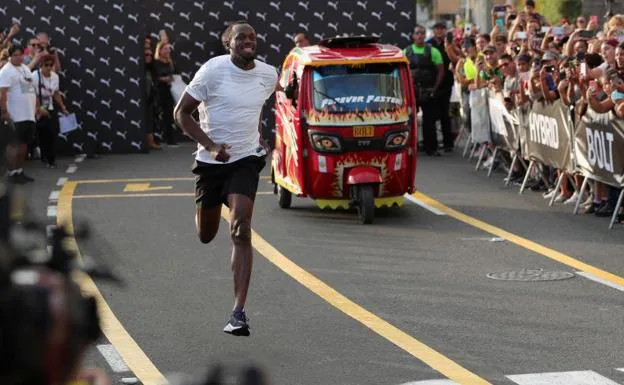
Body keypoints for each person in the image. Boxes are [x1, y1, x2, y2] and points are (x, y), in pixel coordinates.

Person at [174, 21, 278, 336]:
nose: (248, 41)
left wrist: (260, 137)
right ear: (227, 44)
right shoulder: (211, 72)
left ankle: (238, 313)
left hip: (245, 159)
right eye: (241, 37)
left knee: (241, 228)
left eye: (253, 37)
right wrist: (210, 145)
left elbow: (256, 110)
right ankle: (213, 204)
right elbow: (181, 114)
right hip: (210, 163)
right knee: (206, 234)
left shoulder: (267, 74)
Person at [404, 25, 444, 156]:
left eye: (422, 33)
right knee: (409, 121)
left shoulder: (433, 51)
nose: (420, 35)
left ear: (425, 35)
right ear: (413, 36)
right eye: (417, 33)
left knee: (429, 121)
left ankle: (431, 148)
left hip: (428, 91)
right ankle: (410, 148)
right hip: (412, 92)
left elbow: (441, 71)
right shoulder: (406, 52)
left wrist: (435, 88)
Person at [0, 45, 37, 184]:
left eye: (20, 54)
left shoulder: (25, 69)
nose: (19, 57)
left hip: (28, 114)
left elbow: (29, 90)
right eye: (15, 55)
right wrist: (4, 112)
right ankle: (10, 172)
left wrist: (36, 107)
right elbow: (2, 94)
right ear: (10, 56)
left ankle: (19, 171)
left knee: (24, 145)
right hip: (15, 115)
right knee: (13, 145)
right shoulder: (6, 72)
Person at [32, 54, 69, 168]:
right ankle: (45, 157)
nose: (48, 68)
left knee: (52, 133)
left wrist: (63, 107)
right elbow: (30, 94)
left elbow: (56, 93)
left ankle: (51, 159)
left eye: (50, 65)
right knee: (43, 135)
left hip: (50, 108)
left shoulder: (54, 77)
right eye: (46, 65)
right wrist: (38, 109)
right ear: (41, 65)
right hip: (37, 108)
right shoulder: (34, 76)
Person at [426, 22, 455, 152]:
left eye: (441, 29)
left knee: (445, 114)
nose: (439, 31)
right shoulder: (428, 44)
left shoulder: (449, 43)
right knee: (432, 115)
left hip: (446, 84)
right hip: (432, 85)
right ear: (433, 31)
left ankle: (448, 143)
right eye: (437, 29)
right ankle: (432, 143)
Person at [153, 40, 179, 146]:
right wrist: (165, 78)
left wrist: (171, 78)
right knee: (156, 115)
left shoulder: (170, 62)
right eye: (165, 48)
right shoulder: (155, 62)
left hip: (169, 91)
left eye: (169, 48)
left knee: (169, 115)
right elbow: (155, 77)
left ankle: (170, 140)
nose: (168, 50)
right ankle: (155, 139)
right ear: (159, 50)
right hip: (158, 91)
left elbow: (174, 75)